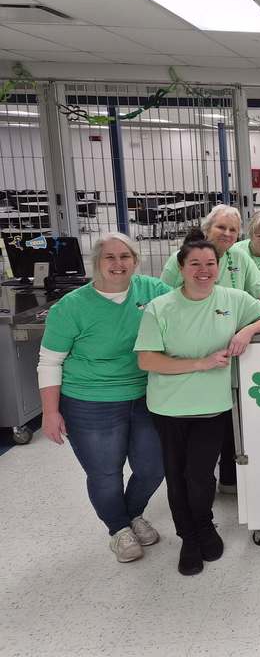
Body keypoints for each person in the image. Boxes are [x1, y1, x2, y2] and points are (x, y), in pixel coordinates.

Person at [136, 237, 260, 576]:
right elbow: (147, 359)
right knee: (176, 478)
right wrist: (200, 364)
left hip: (212, 408)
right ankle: (188, 538)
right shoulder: (160, 307)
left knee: (200, 476)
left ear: (219, 268)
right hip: (168, 408)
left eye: (210, 264)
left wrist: (247, 331)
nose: (204, 271)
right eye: (195, 265)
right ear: (182, 268)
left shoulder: (232, 299)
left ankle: (205, 527)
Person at [37, 232, 170, 563]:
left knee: (153, 467)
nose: (118, 263)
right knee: (106, 473)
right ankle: (119, 529)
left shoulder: (151, 291)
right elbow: (49, 361)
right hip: (89, 400)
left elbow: (193, 307)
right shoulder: (71, 307)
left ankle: (132, 513)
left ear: (135, 261)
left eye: (125, 256)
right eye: (109, 257)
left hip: (145, 394)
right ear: (95, 263)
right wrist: (49, 413)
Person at [160, 205, 260, 494]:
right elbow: (162, 303)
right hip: (192, 354)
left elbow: (259, 289)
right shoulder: (179, 260)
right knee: (207, 418)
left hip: (230, 349)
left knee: (234, 409)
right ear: (207, 229)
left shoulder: (239, 256)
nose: (228, 234)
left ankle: (230, 477)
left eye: (233, 230)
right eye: (222, 227)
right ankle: (197, 482)